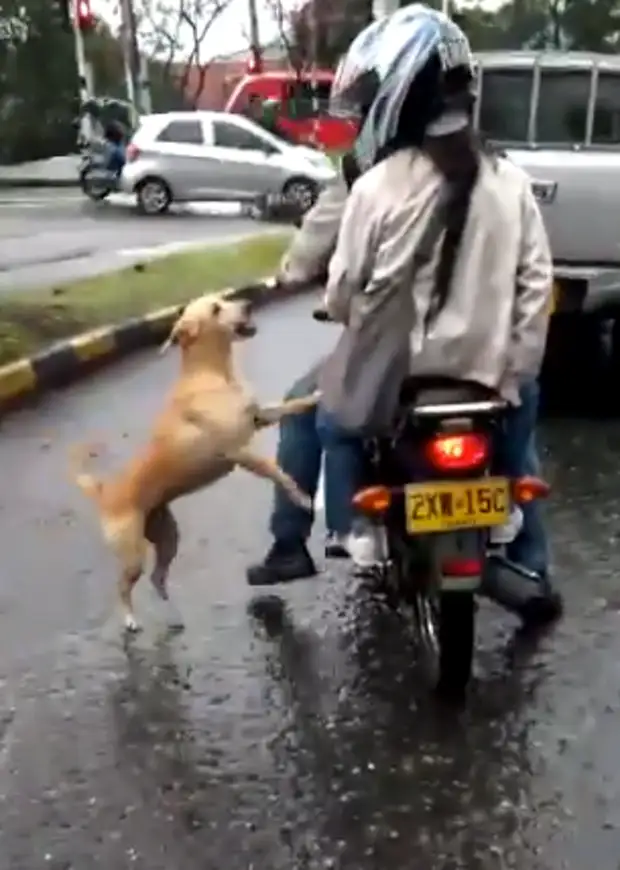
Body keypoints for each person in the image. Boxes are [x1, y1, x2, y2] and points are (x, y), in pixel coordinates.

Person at [247, 6, 560, 624]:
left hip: (396, 379)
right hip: (488, 377)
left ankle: (349, 528)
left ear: (395, 96)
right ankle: (527, 558)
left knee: (322, 408)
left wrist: (340, 310)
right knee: (518, 441)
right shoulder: (509, 181)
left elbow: (343, 283)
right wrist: (517, 364)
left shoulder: (376, 185)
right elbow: (536, 284)